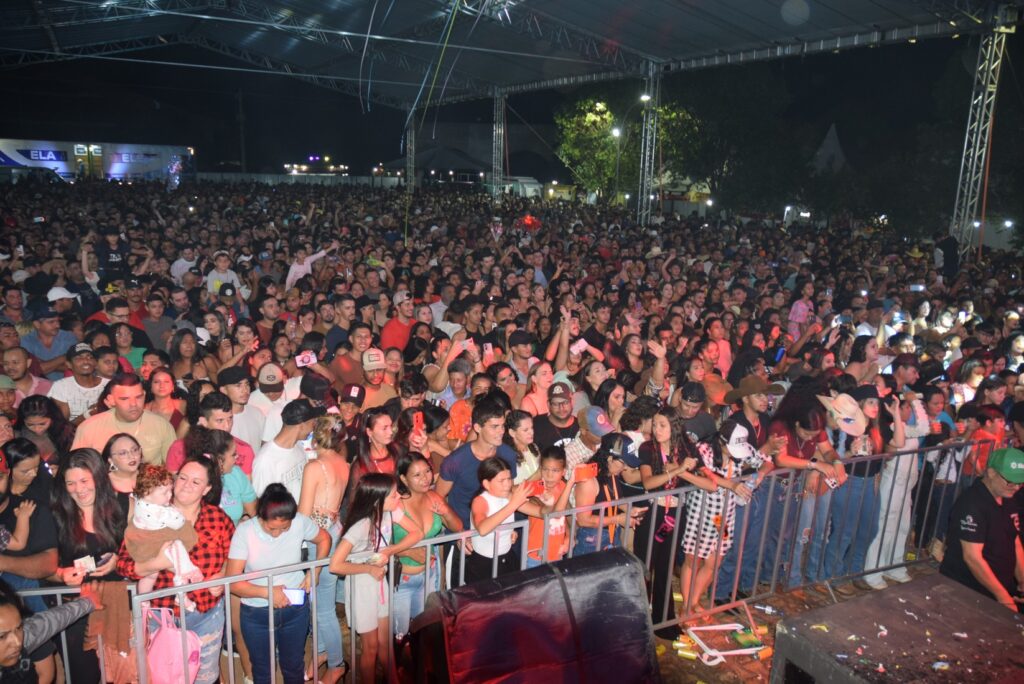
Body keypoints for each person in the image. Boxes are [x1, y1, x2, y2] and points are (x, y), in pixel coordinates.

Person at [116, 456, 235, 684]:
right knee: (162, 676)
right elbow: (123, 563)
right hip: (160, 615)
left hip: (205, 613)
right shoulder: (149, 513)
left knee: (205, 677)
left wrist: (222, 576)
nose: (186, 485)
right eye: (182, 478)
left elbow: (234, 557)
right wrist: (156, 563)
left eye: (196, 482)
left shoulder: (217, 518)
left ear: (207, 489)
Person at [227, 483, 330, 684]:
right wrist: (268, 592)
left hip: (295, 608)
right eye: (271, 528)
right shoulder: (245, 532)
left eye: (285, 528)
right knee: (263, 671)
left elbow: (324, 539)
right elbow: (233, 582)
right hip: (257, 613)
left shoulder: (299, 522)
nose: (277, 534)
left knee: (294, 666)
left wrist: (314, 571)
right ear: (261, 517)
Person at [330, 474, 421, 684]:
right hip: (362, 586)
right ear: (377, 500)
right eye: (393, 495)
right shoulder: (361, 525)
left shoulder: (390, 513)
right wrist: (368, 569)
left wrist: (390, 550)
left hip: (380, 582)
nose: (399, 497)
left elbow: (417, 533)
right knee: (370, 648)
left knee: (385, 644)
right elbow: (335, 565)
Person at [50, 448, 129, 683]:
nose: (79, 489)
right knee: (85, 676)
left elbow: (143, 551)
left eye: (84, 480)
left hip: (119, 607)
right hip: (77, 612)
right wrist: (61, 574)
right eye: (70, 483)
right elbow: (43, 567)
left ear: (98, 477)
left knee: (123, 673)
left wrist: (120, 560)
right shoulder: (56, 515)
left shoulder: (123, 504)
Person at [297, 415, 350, 684]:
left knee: (324, 608)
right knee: (318, 603)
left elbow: (303, 514)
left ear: (314, 437)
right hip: (334, 531)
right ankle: (320, 653)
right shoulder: (343, 463)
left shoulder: (314, 467)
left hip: (317, 538)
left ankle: (337, 663)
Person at [939, 448, 1024, 612]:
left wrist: (1022, 580)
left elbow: (1015, 541)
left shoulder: (1008, 498)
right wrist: (1003, 598)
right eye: (1010, 482)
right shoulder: (971, 504)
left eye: (1020, 483)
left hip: (999, 588)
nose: (1016, 488)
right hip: (969, 590)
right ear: (991, 473)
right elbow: (973, 557)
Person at [392, 452, 462, 638]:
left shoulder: (433, 497)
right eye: (417, 475)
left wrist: (446, 512)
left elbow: (457, 527)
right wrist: (405, 552)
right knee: (400, 635)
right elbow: (379, 544)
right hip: (401, 580)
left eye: (428, 471)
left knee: (423, 630)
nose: (425, 478)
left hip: (429, 576)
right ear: (403, 479)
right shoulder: (395, 504)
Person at [124, 464, 203, 608]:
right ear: (147, 492)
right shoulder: (160, 512)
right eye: (164, 492)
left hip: (143, 548)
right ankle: (182, 593)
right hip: (155, 545)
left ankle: (143, 601)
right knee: (180, 561)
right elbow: (178, 523)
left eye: (170, 490)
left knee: (150, 576)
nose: (169, 495)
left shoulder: (139, 501)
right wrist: (177, 512)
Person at [437, 400, 518, 531]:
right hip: (463, 531)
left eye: (502, 426)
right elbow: (437, 498)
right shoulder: (456, 461)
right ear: (478, 428)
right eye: (494, 427)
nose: (501, 431)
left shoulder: (508, 455)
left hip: (498, 529)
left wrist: (509, 528)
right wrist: (459, 531)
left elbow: (508, 493)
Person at [0, 578, 102, 682]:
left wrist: (88, 602)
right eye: (2, 636)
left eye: (19, 628)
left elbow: (51, 621)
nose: (17, 642)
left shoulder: (26, 636)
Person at [71, 373, 177, 466]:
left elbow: (174, 469)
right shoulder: (89, 428)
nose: (133, 404)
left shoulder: (161, 426)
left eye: (138, 397)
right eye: (124, 399)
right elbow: (76, 469)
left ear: (144, 395)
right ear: (111, 400)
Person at [251, 399, 325, 499]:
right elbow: (262, 501)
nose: (313, 428)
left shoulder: (298, 446)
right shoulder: (265, 460)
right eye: (313, 423)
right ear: (302, 426)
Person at [47, 343, 108, 425]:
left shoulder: (109, 384)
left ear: (95, 363)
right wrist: (88, 414)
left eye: (90, 357)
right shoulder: (60, 387)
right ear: (69, 364)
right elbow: (62, 426)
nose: (86, 361)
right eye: (79, 358)